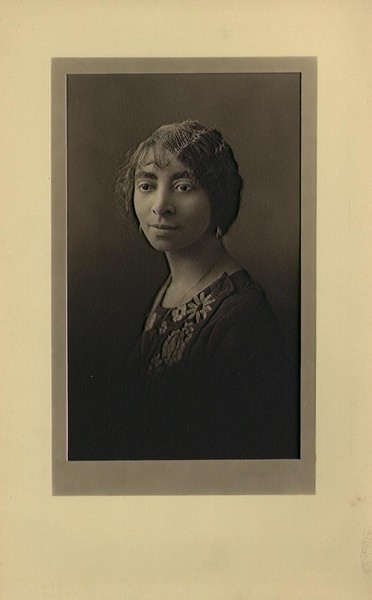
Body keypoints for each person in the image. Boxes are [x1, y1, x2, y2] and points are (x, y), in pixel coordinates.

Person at [110, 120, 299, 460]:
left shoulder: (241, 317)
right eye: (147, 184)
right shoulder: (174, 285)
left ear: (219, 197)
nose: (160, 205)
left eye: (183, 186)